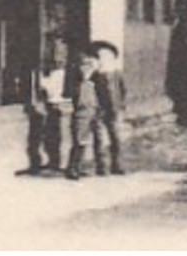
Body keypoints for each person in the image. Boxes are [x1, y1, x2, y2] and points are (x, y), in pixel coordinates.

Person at [19, 40, 68, 176]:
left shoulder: (60, 72)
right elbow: (29, 89)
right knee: (34, 137)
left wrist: (60, 106)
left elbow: (60, 91)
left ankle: (54, 162)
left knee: (53, 135)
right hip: (37, 105)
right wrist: (32, 103)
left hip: (53, 105)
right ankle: (35, 163)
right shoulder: (35, 71)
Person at [65, 51, 103, 180]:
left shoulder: (97, 78)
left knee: (98, 138)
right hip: (82, 112)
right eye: (85, 64)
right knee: (80, 140)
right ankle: (73, 168)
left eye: (90, 64)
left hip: (95, 110)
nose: (88, 67)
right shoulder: (76, 80)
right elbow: (70, 95)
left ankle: (97, 166)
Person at [91, 41, 127, 175]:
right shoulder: (95, 75)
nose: (104, 60)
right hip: (99, 110)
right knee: (99, 139)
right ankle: (101, 166)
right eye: (101, 57)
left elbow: (122, 91)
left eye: (107, 57)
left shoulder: (117, 74)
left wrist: (121, 106)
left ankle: (117, 165)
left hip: (114, 110)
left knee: (116, 138)